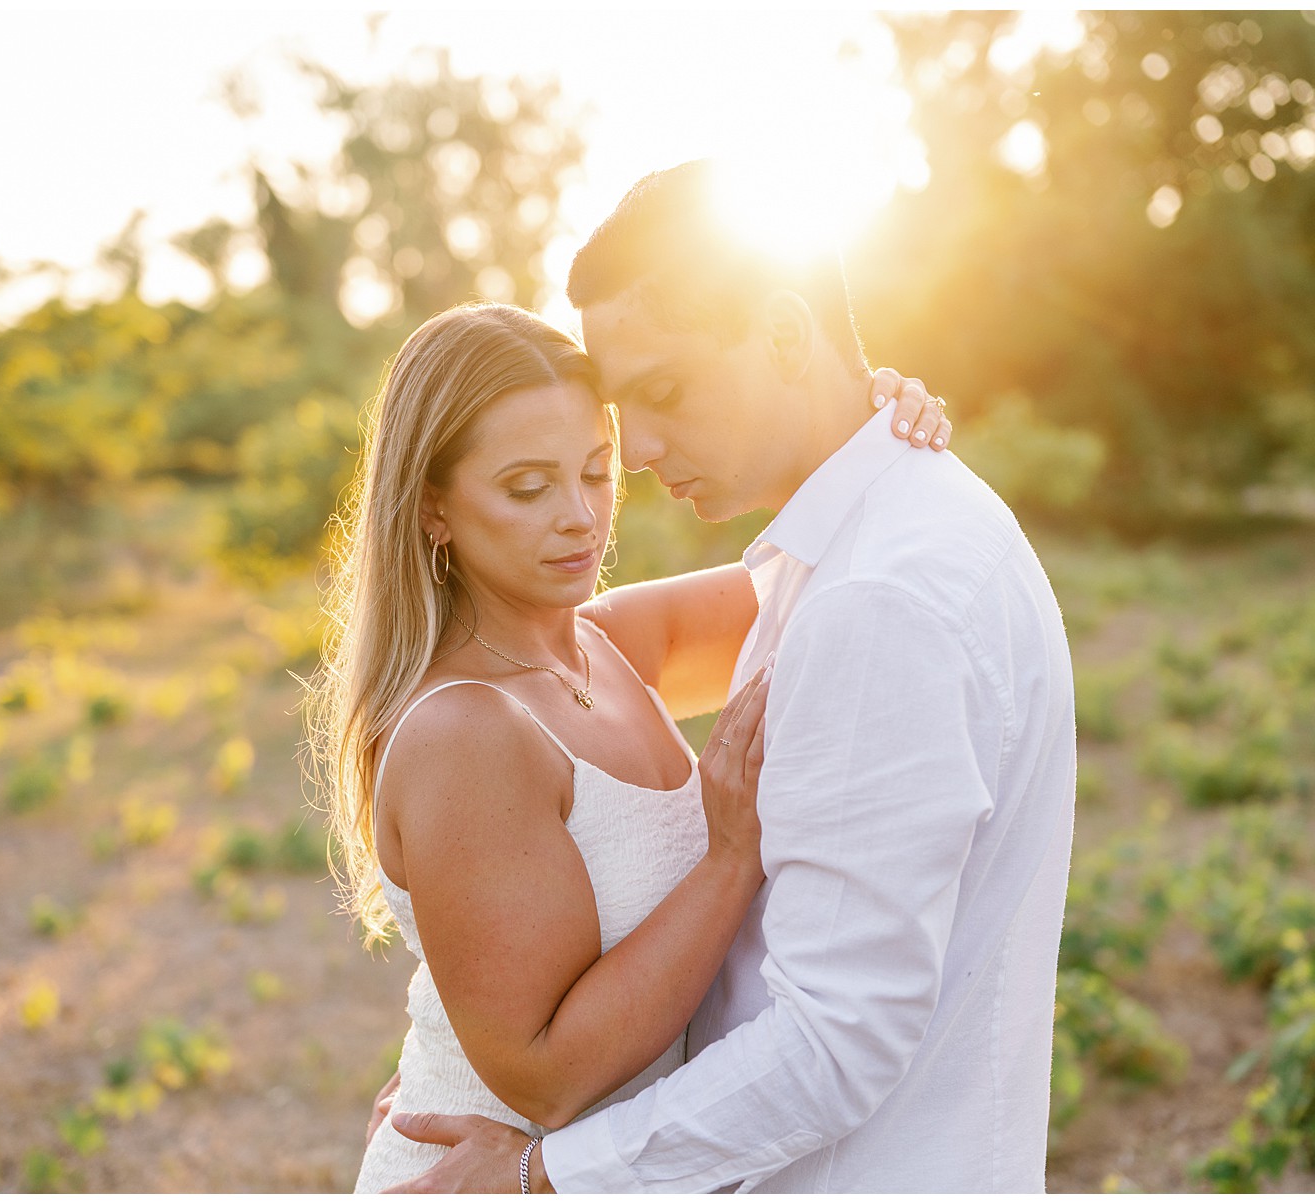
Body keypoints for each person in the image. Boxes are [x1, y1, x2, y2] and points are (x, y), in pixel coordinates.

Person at [385, 159, 1076, 1193]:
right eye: (532, 483)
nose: (635, 456)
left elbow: (835, 1040)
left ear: (787, 335)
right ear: (435, 506)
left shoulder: (866, 591)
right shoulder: (868, 545)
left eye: (658, 397)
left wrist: (542, 1173)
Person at [302, 302, 949, 1193]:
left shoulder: (607, 644)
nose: (580, 517)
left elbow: (837, 571)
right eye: (527, 488)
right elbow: (548, 1076)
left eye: (596, 472)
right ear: (433, 508)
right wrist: (730, 859)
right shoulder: (465, 733)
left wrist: (871, 424)